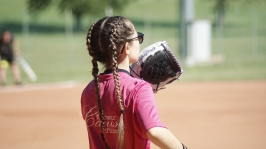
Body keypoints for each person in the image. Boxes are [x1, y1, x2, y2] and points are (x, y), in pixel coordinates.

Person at [81, 16, 187, 149]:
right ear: (126, 47)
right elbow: (154, 131)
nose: (139, 41)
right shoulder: (139, 88)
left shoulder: (89, 89)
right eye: (138, 38)